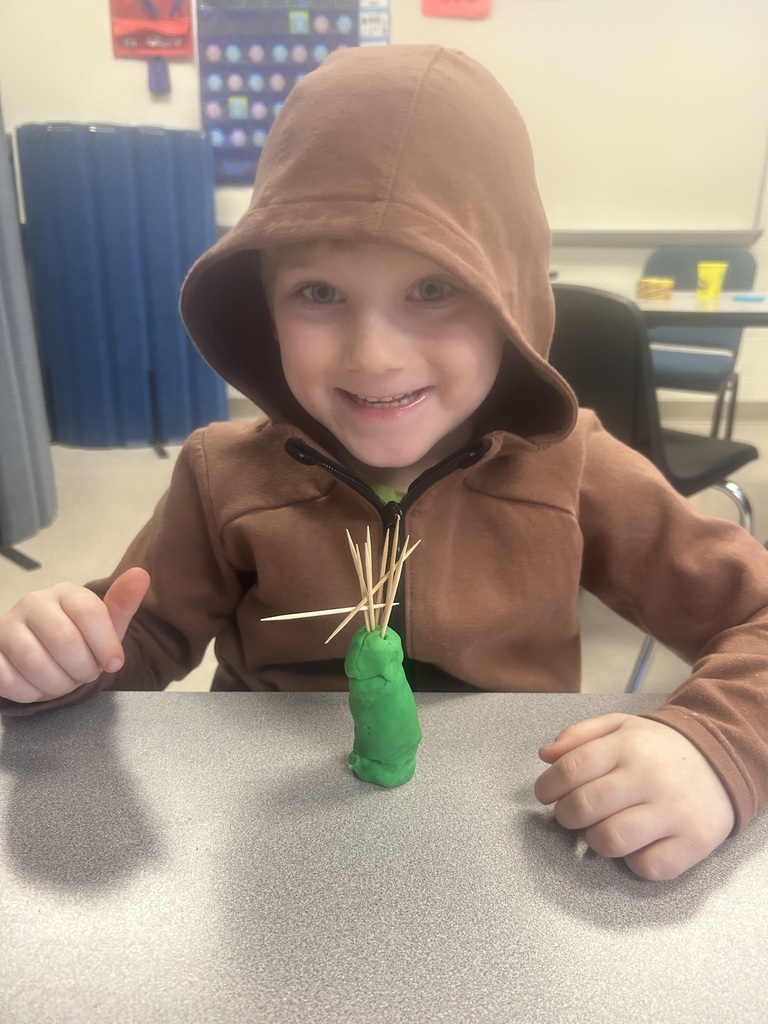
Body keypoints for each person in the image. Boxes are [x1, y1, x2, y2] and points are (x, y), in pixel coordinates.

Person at [1, 44, 767, 881]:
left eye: (434, 290)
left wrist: (716, 743)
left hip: (514, 845)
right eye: (319, 293)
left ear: (511, 295)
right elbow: (133, 643)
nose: (373, 357)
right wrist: (62, 654)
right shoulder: (221, 474)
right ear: (266, 307)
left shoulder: (573, 466)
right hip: (272, 846)